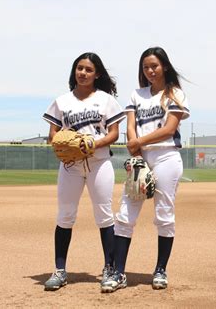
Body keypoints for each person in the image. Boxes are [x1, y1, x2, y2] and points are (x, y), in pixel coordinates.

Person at [101, 47, 190, 293]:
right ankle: (118, 273)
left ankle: (161, 269)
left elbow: (169, 129)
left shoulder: (175, 94)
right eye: (145, 67)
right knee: (126, 215)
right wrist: (136, 150)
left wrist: (138, 142)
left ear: (165, 67)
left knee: (164, 214)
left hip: (166, 157)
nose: (150, 70)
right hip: (141, 157)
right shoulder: (136, 94)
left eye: (154, 66)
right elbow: (131, 125)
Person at [42, 52, 126, 291]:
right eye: (79, 68)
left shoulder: (106, 100)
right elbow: (53, 135)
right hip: (70, 166)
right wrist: (63, 142)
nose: (83, 73)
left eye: (89, 69)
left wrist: (93, 143)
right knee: (65, 216)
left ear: (97, 74)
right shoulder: (61, 101)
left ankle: (109, 269)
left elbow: (113, 133)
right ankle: (60, 271)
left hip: (99, 163)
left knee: (104, 216)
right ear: (74, 71)